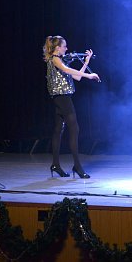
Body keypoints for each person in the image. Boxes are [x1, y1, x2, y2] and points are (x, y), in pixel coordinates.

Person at [43, 36, 100, 179]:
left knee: (58, 130)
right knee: (74, 129)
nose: (66, 49)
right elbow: (67, 70)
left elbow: (77, 77)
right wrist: (89, 75)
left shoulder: (60, 60)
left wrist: (86, 62)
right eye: (64, 46)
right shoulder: (55, 59)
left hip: (60, 97)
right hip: (62, 98)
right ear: (58, 48)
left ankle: (55, 164)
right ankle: (77, 166)